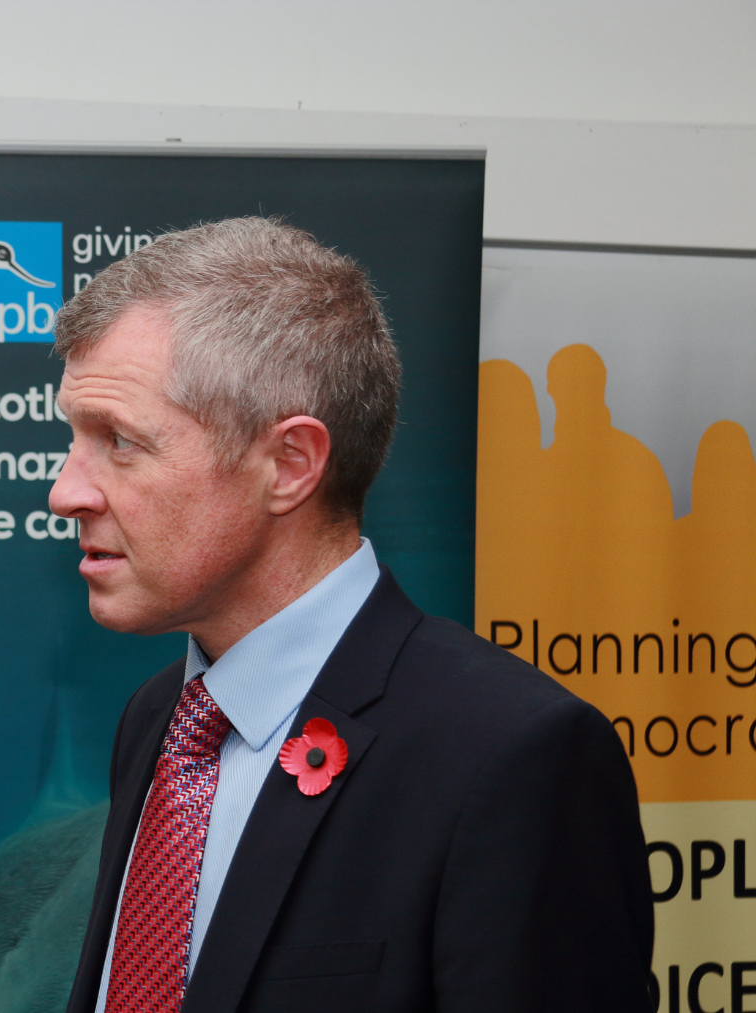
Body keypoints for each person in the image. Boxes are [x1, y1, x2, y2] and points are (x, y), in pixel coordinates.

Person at [49, 218, 651, 1013]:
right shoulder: (157, 718)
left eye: (120, 441)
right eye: (73, 437)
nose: (65, 491)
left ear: (290, 464)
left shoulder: (511, 756)